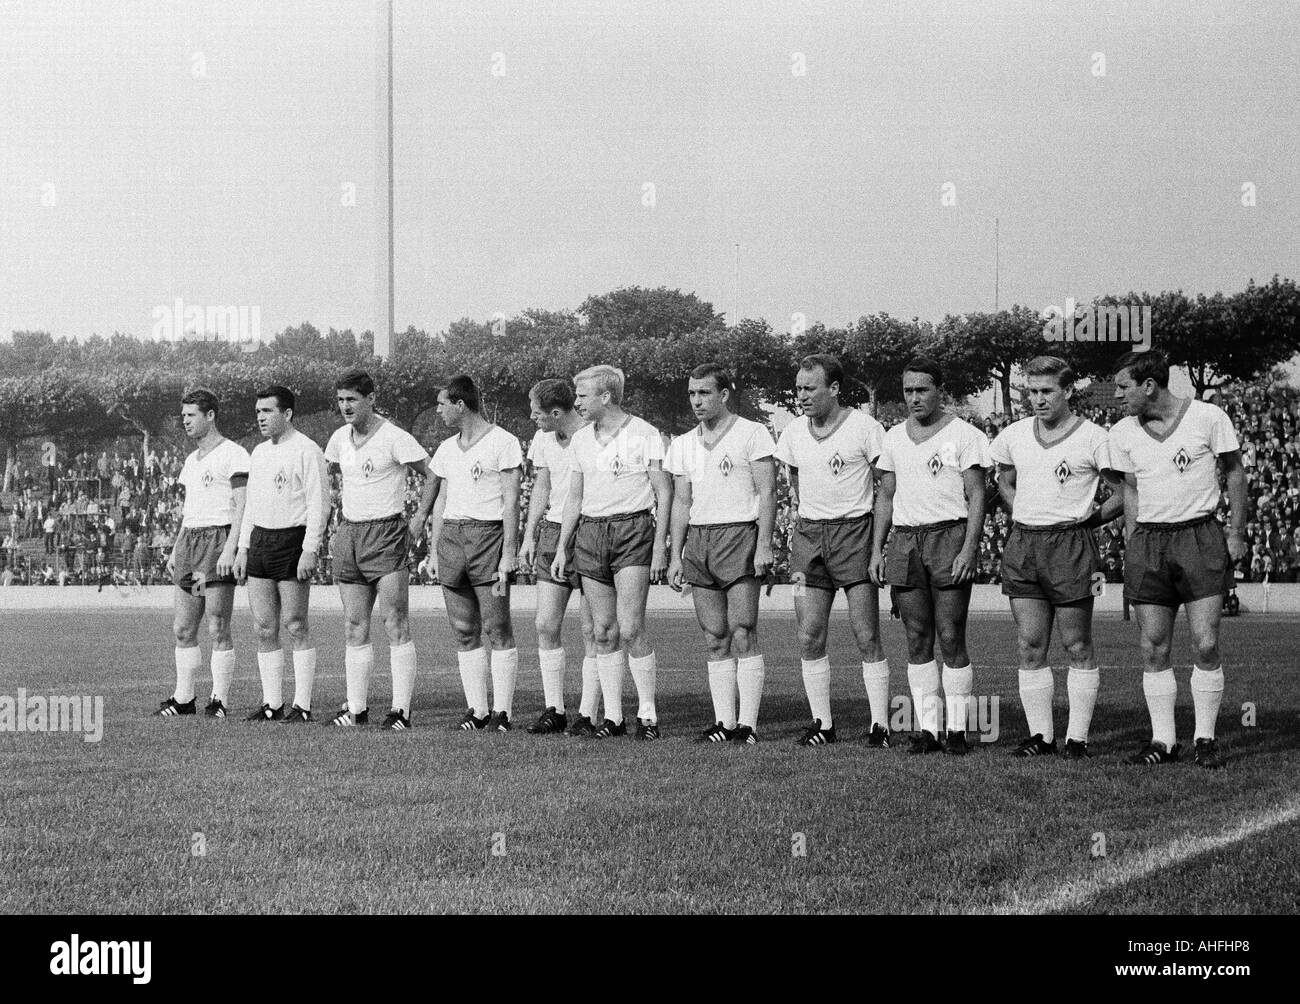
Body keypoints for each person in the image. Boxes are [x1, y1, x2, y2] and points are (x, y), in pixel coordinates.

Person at [1109, 351, 1247, 769]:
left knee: (1205, 643)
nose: (1117, 396)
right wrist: (1133, 539)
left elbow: (1235, 472)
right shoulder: (1122, 433)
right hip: (1149, 542)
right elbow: (1130, 490)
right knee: (1154, 647)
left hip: (1199, 536)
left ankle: (1205, 736)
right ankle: (1164, 741)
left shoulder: (1208, 417)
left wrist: (1236, 531)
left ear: (1149, 386)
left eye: (1122, 387)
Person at [990, 356, 1124, 758]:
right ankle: (1040, 736)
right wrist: (1021, 510)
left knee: (1077, 643)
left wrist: (1089, 520)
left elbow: (1121, 493)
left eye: (1046, 391)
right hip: (1024, 543)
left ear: (1067, 391)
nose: (1038, 399)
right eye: (1032, 391)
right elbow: (1004, 480)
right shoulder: (1013, 435)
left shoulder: (1094, 437)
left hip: (1070, 545)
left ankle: (1077, 739)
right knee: (1030, 644)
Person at [871, 358, 991, 755]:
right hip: (905, 541)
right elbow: (885, 497)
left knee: (951, 634)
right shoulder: (892, 437)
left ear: (940, 390)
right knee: (916, 636)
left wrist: (969, 548)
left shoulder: (965, 434)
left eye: (922, 389)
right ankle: (928, 730)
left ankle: (957, 730)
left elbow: (977, 496)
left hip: (949, 536)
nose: (914, 397)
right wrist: (877, 549)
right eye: (908, 390)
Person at [771, 355, 889, 746]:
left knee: (866, 633)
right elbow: (797, 482)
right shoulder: (792, 433)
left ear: (834, 388)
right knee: (808, 635)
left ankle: (880, 726)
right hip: (808, 538)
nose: (801, 396)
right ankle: (823, 724)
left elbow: (886, 489)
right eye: (798, 388)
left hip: (854, 534)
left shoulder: (865, 427)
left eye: (810, 388)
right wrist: (811, 521)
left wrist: (877, 547)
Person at [552, 365, 672, 740]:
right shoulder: (581, 440)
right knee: (603, 631)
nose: (577, 403)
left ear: (605, 396)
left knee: (632, 626)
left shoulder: (644, 433)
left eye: (583, 396)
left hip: (632, 529)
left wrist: (659, 547)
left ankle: (648, 715)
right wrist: (561, 548)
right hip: (591, 531)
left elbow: (664, 492)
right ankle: (614, 719)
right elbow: (574, 497)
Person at [667, 363, 777, 744]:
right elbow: (681, 502)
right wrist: (675, 554)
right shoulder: (682, 444)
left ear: (724, 394)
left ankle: (748, 725)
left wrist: (764, 544)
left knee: (743, 629)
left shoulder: (753, 434)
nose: (697, 401)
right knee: (714, 636)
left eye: (705, 393)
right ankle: (724, 723)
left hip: (739, 535)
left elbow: (768, 492)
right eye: (692, 394)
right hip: (700, 540)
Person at [323, 370, 436, 730]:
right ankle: (356, 709)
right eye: (341, 400)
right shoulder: (339, 439)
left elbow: (433, 473)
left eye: (352, 399)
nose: (345, 406)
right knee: (354, 625)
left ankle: (400, 710)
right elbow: (328, 478)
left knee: (394, 622)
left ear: (371, 398)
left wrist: (419, 519)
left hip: (386, 532)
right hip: (351, 532)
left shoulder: (395, 437)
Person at [428, 375, 524, 731]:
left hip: (488, 537)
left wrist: (508, 552)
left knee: (497, 627)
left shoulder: (504, 442)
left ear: (460, 405)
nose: (438, 411)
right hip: (453, 538)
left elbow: (511, 500)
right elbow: (441, 501)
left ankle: (503, 712)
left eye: (441, 404)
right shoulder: (445, 448)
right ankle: (477, 710)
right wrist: (436, 550)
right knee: (464, 629)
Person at [233, 385, 330, 722]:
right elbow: (250, 506)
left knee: (295, 623)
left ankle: (302, 705)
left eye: (267, 411)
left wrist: (310, 549)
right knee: (263, 626)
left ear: (287, 414)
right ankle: (272, 704)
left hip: (292, 540)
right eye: (258, 411)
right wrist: (243, 547)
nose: (260, 417)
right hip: (260, 541)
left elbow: (320, 502)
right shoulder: (258, 453)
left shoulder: (307, 449)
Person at [152, 390, 250, 718]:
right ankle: (184, 699)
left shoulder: (233, 454)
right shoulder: (191, 461)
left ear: (210, 415)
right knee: (184, 627)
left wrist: (231, 548)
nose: (185, 421)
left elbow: (241, 505)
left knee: (218, 625)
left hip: (217, 544)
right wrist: (177, 547)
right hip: (191, 547)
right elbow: (189, 509)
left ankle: (219, 701)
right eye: (183, 416)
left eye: (191, 415)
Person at [516, 378, 599, 735]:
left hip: (589, 530)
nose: (531, 415)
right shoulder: (543, 439)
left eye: (536, 409)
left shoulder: (592, 435)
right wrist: (528, 536)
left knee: (591, 628)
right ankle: (555, 709)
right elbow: (543, 486)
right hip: (552, 531)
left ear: (555, 412)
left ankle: (590, 712)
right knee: (545, 624)